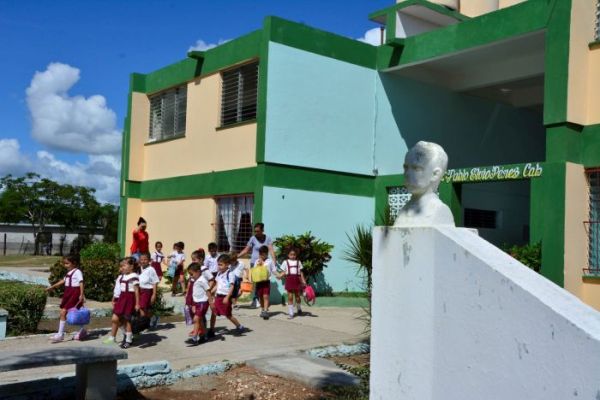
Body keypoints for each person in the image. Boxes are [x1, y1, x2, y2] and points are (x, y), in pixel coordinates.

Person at [394, 141, 455, 227]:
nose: (407, 174)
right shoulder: (404, 210)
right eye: (406, 168)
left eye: (416, 169)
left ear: (435, 174)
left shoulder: (440, 211)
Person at [46, 255, 86, 342]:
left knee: (64, 311)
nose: (65, 265)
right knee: (74, 312)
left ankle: (60, 334)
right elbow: (63, 281)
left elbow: (81, 282)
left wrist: (81, 294)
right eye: (65, 263)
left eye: (67, 263)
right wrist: (52, 287)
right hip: (68, 293)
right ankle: (82, 330)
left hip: (74, 293)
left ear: (74, 263)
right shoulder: (69, 272)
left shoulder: (77, 272)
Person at [103, 257, 140, 349]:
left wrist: (137, 303)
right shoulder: (122, 276)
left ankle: (128, 340)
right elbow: (118, 289)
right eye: (121, 266)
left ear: (131, 267)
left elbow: (136, 291)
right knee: (115, 318)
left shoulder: (134, 276)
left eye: (124, 265)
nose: (122, 267)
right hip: (122, 298)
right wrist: (114, 298)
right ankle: (120, 336)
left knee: (127, 320)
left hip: (129, 299)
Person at [238, 223, 277, 308]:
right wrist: (236, 256)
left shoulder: (268, 238)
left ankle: (259, 300)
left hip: (264, 264)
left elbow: (271, 250)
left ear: (262, 230)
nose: (256, 233)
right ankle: (256, 299)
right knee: (255, 281)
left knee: (262, 281)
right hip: (254, 263)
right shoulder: (253, 238)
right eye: (255, 231)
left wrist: (274, 261)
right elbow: (246, 250)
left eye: (258, 231)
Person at [208, 254, 246, 336]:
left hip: (225, 297)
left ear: (227, 264)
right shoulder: (219, 274)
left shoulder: (230, 274)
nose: (219, 266)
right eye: (218, 264)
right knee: (213, 313)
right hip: (218, 297)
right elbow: (217, 285)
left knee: (228, 315)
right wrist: (210, 292)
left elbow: (232, 287)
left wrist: (227, 297)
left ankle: (239, 326)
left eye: (221, 264)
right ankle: (211, 330)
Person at [278, 248, 306, 319]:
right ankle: (291, 313)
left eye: (294, 255)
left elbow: (301, 272)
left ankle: (299, 308)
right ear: (288, 255)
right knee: (290, 297)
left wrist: (303, 281)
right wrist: (280, 276)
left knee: (297, 296)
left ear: (296, 255)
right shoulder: (285, 262)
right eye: (291, 254)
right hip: (289, 280)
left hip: (297, 279)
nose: (292, 256)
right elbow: (284, 271)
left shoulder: (298, 262)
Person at [186, 263, 211, 345]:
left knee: (196, 319)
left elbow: (208, 291)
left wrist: (211, 303)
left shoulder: (202, 280)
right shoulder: (195, 280)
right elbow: (195, 294)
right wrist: (193, 304)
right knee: (199, 321)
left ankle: (195, 337)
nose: (191, 276)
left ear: (198, 272)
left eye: (191, 274)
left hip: (202, 303)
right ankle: (204, 335)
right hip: (197, 303)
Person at [251, 246, 278, 320]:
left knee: (265, 296)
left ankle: (266, 311)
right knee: (260, 297)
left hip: (266, 281)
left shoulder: (270, 261)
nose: (262, 256)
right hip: (259, 282)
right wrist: (259, 264)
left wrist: (278, 275)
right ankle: (262, 309)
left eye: (264, 254)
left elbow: (274, 270)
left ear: (267, 254)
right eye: (261, 254)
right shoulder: (257, 261)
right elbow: (254, 271)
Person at [138, 252, 160, 328]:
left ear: (149, 260)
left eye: (145, 259)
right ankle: (153, 318)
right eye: (141, 259)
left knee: (142, 308)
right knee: (145, 308)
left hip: (147, 291)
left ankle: (142, 324)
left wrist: (154, 294)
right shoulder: (138, 268)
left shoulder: (151, 269)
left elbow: (155, 282)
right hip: (139, 291)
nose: (143, 261)